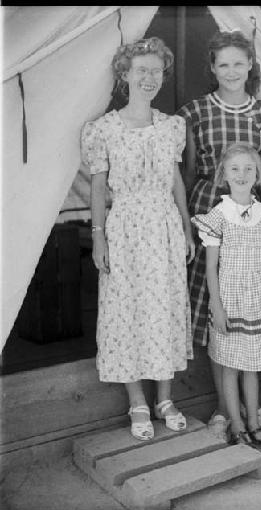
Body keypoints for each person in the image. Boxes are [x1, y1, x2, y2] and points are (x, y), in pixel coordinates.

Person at [81, 37, 194, 441]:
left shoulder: (171, 127)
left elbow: (176, 181)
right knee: (126, 310)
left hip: (163, 226)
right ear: (125, 76)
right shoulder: (103, 130)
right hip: (125, 228)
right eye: (140, 70)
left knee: (164, 306)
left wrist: (184, 226)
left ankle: (164, 398)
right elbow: (97, 190)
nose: (149, 78)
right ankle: (137, 402)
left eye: (155, 71)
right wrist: (98, 239)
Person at [178, 30, 261, 439]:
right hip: (209, 209)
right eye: (224, 64)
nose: (232, 71)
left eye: (240, 63)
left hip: (250, 215)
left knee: (247, 309)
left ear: (251, 65)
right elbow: (187, 173)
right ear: (212, 68)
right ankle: (225, 409)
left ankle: (249, 406)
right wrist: (186, 221)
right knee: (215, 311)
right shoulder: (195, 112)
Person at [191, 143, 261, 452]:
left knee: (252, 365)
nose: (242, 174)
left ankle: (255, 424)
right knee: (230, 365)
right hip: (230, 298)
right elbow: (211, 267)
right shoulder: (218, 216)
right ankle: (237, 425)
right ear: (224, 174)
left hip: (257, 296)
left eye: (248, 169)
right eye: (235, 169)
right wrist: (216, 307)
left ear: (257, 173)